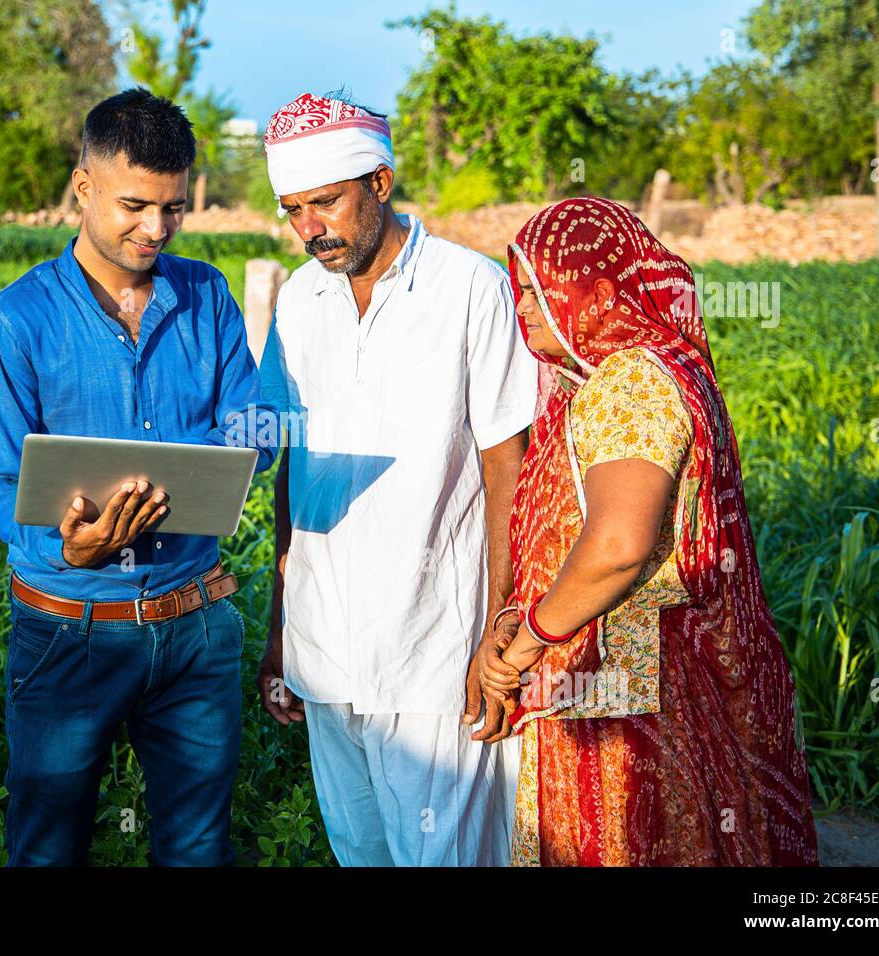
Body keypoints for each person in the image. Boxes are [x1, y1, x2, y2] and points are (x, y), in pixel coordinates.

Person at [0, 88, 277, 866]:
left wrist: (223, 455)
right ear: (84, 187)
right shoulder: (18, 319)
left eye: (173, 209)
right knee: (47, 848)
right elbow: (0, 477)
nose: (155, 229)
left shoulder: (207, 294)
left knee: (199, 848)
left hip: (195, 627)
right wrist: (67, 545)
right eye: (135, 205)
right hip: (67, 629)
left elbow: (253, 428)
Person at [478, 196, 819, 866]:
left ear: (597, 294)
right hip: (666, 671)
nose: (519, 309)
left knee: (631, 838)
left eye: (535, 292)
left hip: (627, 693)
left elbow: (616, 546)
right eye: (516, 292)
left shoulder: (630, 380)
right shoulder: (668, 365)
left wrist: (527, 644)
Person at [256, 92, 538, 866]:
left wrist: (502, 623)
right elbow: (289, 462)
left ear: (379, 183)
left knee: (444, 855)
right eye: (293, 210)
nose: (311, 228)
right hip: (323, 645)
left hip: (434, 645)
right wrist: (281, 623)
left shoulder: (469, 287)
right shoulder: (299, 300)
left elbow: (505, 461)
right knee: (360, 849)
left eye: (327, 202)